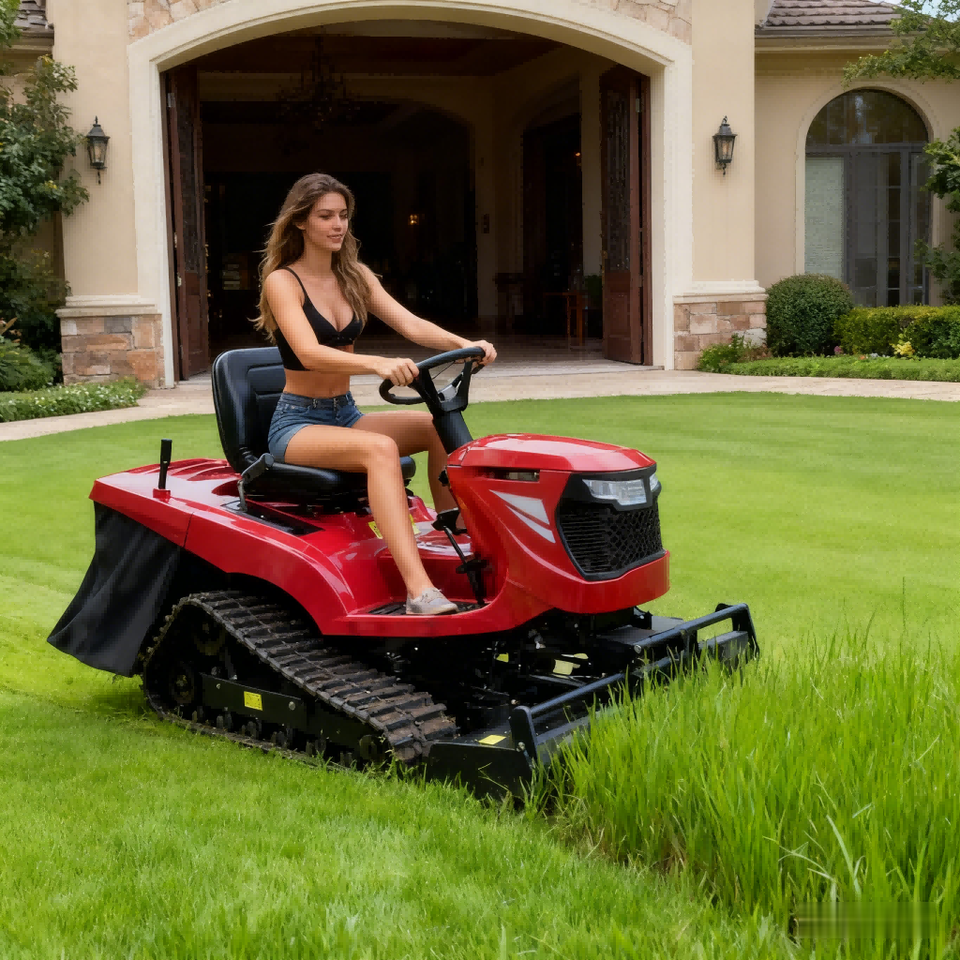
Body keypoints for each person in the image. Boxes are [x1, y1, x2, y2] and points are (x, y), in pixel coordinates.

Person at [255, 173, 496, 616]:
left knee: (437, 426)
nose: (337, 225)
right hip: (298, 423)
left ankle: (453, 543)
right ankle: (419, 592)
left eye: (343, 215)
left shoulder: (355, 277)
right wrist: (377, 364)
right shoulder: (283, 282)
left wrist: (466, 345)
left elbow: (411, 325)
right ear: (301, 222)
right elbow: (308, 353)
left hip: (344, 413)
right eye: (325, 216)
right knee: (380, 448)